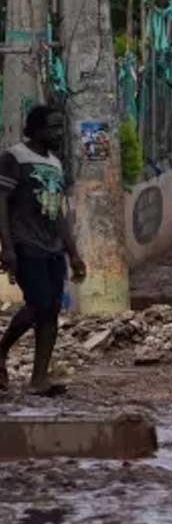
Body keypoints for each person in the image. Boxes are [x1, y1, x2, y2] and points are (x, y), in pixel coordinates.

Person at [0, 106, 86, 396]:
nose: (59, 133)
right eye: (53, 127)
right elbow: (2, 202)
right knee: (37, 304)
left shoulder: (55, 163)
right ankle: (1, 352)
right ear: (35, 130)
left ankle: (39, 380)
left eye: (61, 127)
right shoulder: (14, 157)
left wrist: (73, 253)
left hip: (52, 246)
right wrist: (7, 246)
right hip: (26, 242)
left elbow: (58, 211)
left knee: (51, 309)